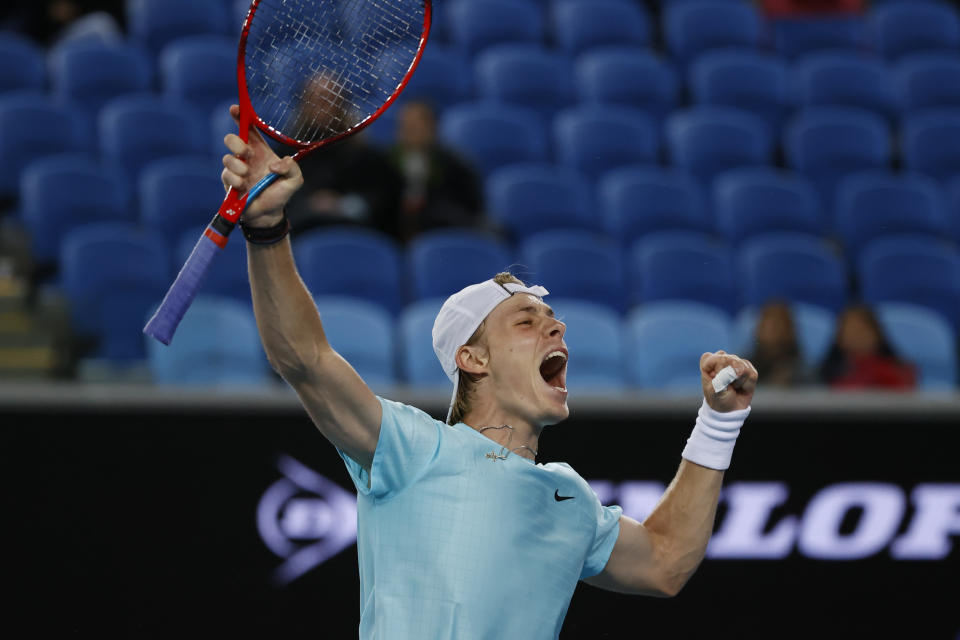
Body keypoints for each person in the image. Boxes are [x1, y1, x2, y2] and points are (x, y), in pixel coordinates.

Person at [219, 103, 760, 638]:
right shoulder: (414, 449)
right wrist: (267, 228)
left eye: (554, 321)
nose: (557, 330)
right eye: (526, 321)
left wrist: (718, 424)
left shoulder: (570, 501)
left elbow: (665, 562)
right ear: (472, 359)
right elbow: (305, 359)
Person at [282, 72, 404, 238]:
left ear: (343, 105)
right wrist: (310, 205)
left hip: (358, 235)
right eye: (316, 99)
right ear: (303, 105)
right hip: (301, 234)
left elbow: (383, 197)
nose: (323, 106)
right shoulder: (284, 156)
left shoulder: (366, 156)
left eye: (330, 99)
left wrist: (345, 205)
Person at [386, 100, 486, 243]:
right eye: (404, 126)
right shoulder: (386, 162)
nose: (407, 131)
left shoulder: (455, 164)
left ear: (432, 127)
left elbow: (471, 206)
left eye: (414, 126)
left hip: (442, 232)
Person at [818, 303, 917, 390]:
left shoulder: (898, 370)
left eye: (861, 331)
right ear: (838, 339)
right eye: (850, 331)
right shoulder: (827, 373)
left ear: (877, 334)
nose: (856, 337)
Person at [748, 300, 814, 387]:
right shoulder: (744, 369)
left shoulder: (805, 372)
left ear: (790, 330)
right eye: (766, 324)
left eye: (777, 325)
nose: (771, 331)